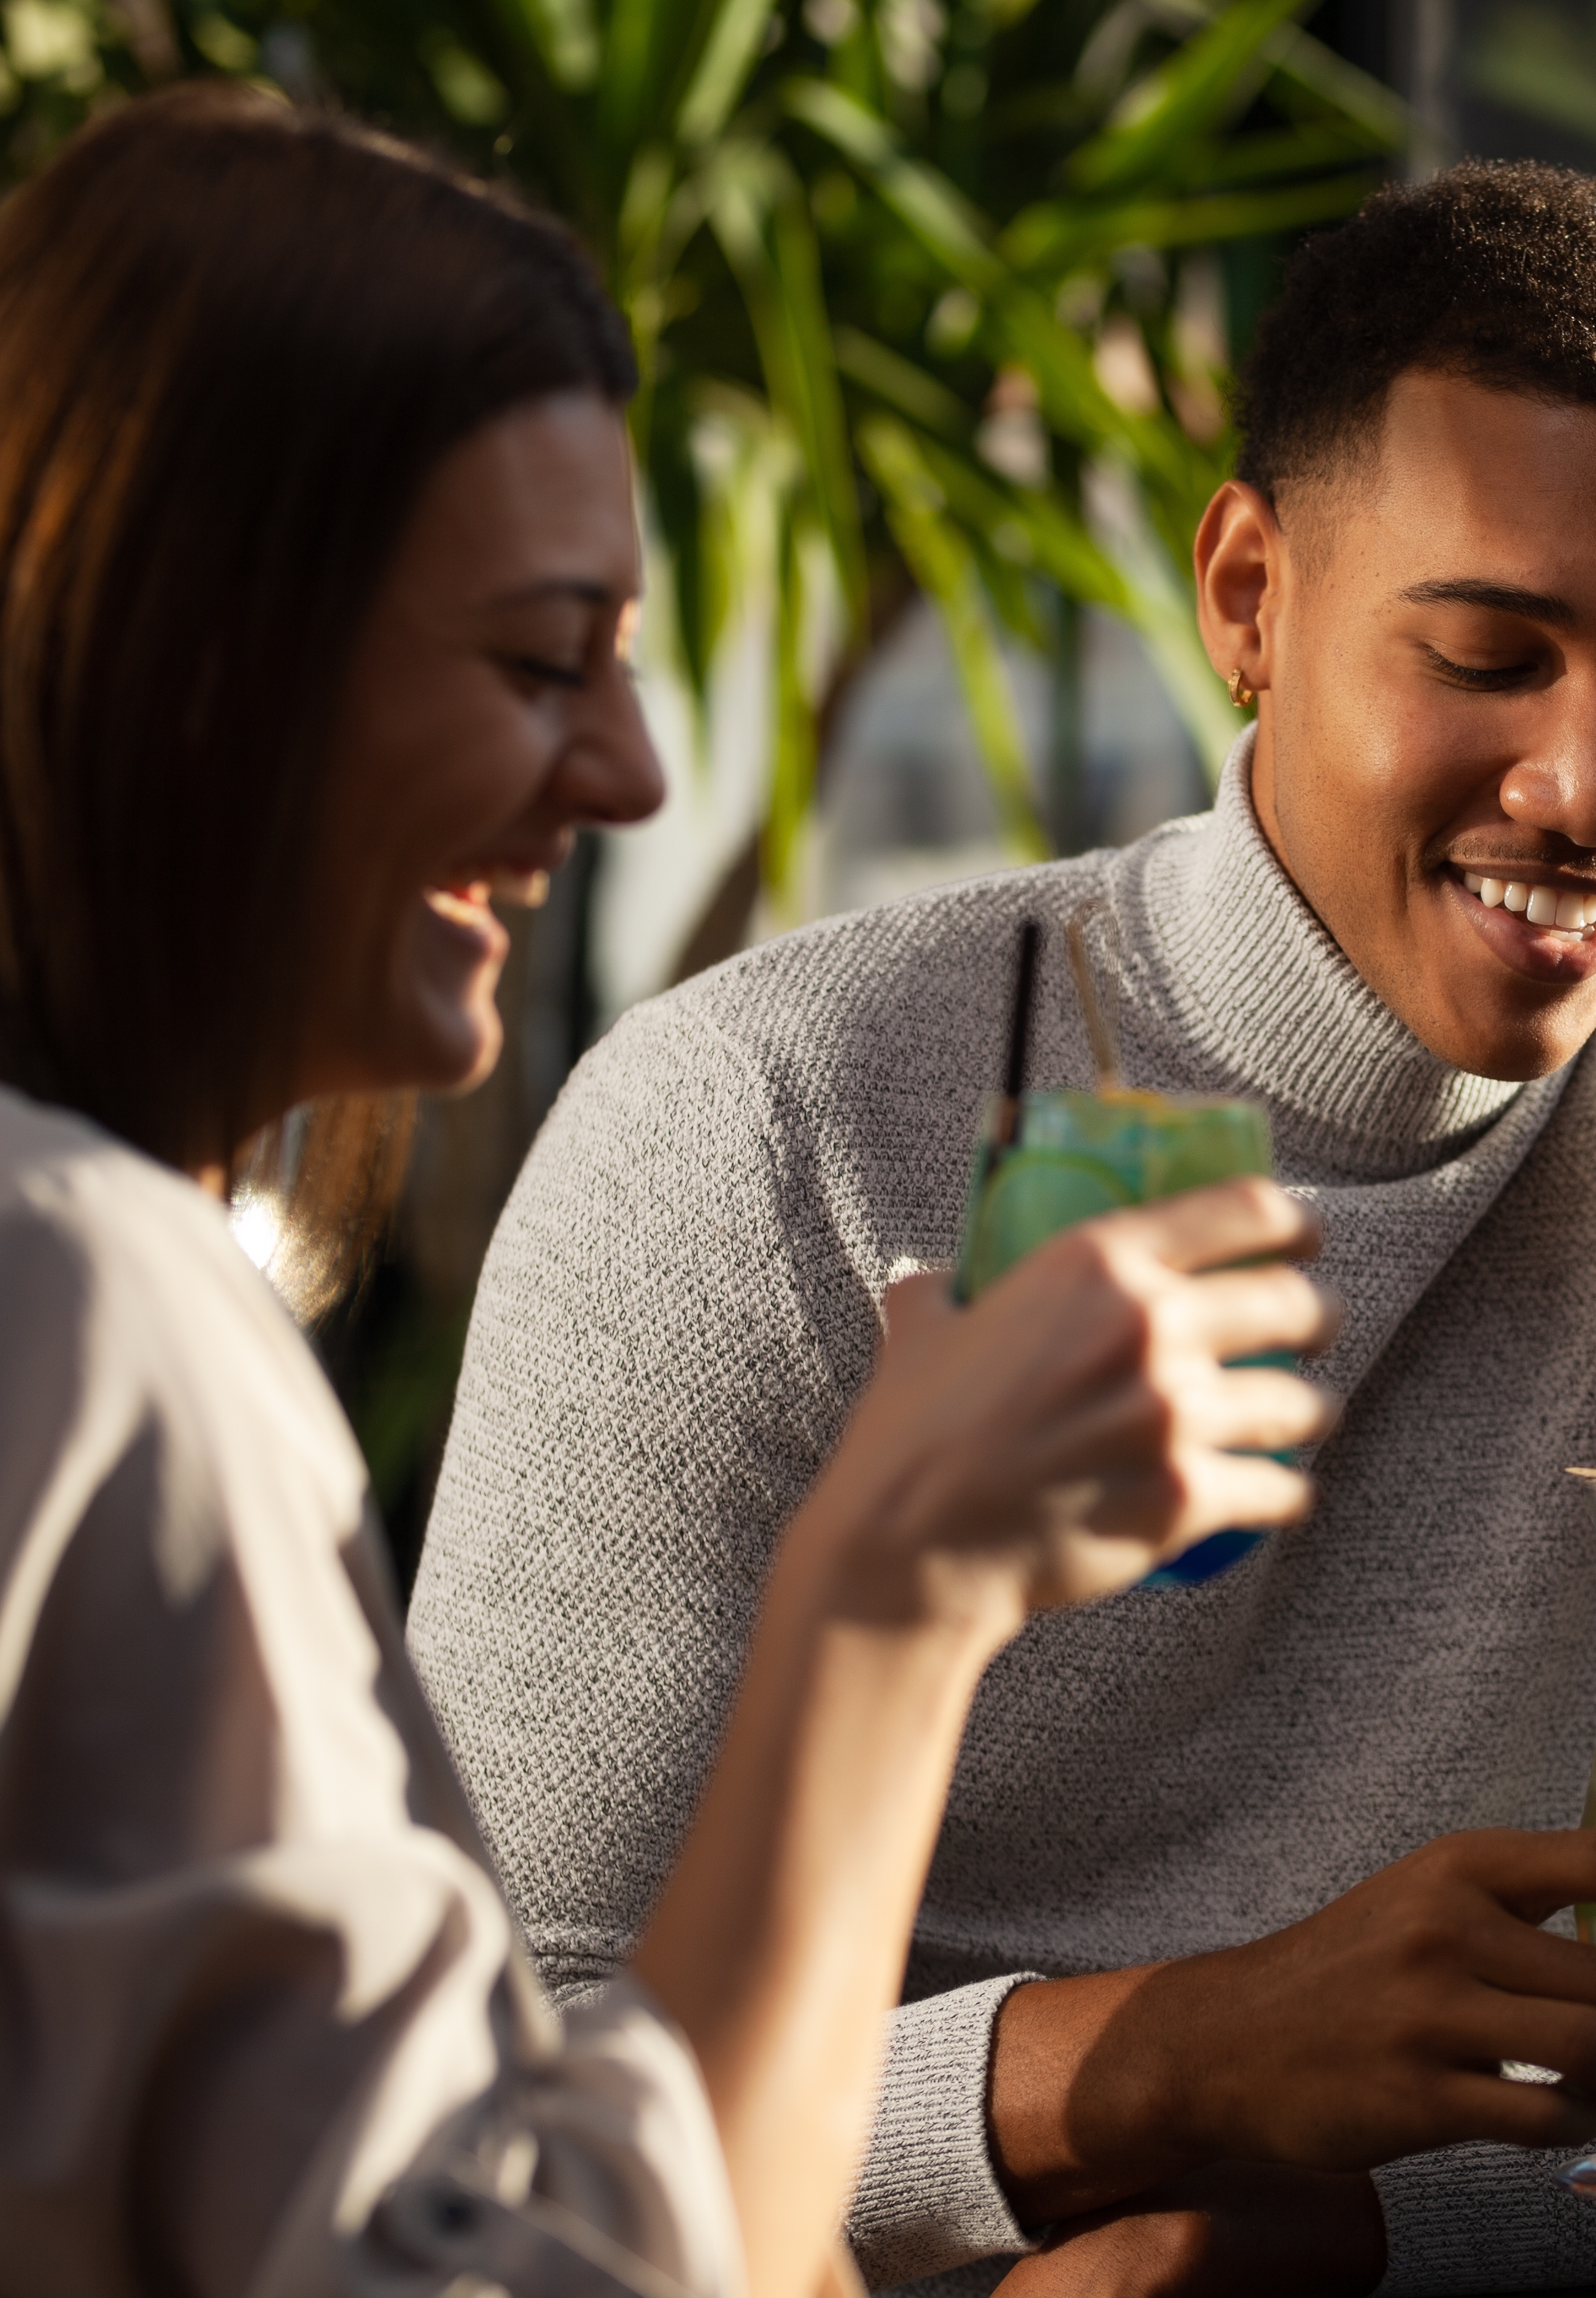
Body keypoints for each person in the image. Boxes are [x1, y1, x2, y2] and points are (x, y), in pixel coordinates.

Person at [407, 163, 1596, 2294]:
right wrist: (1151, 2073)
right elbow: (501, 2094)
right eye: (1493, 655)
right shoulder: (757, 1124)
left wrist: (1335, 2225)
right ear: (1248, 597)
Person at [0, 85, 1415, 2298]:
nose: (639, 775)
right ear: (217, 662)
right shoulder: (93, 1311)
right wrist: (894, 1591)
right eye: (538, 661)